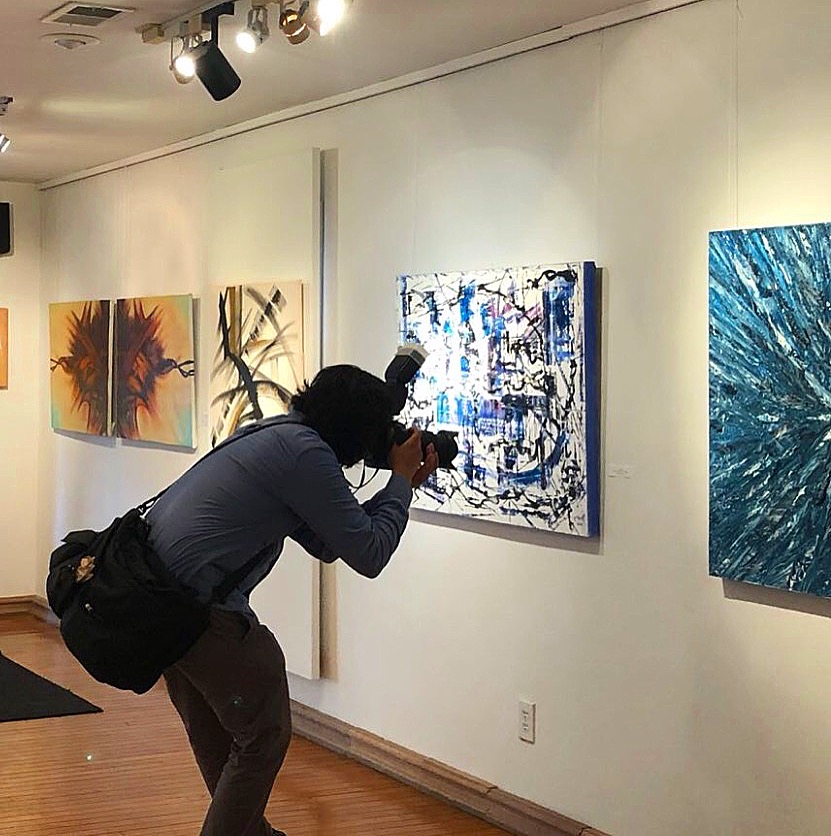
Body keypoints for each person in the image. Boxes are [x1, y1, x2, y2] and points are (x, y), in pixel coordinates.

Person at [144, 364, 438, 836]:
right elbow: (369, 553)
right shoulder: (307, 455)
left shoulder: (278, 434)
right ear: (356, 432)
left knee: (217, 733)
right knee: (265, 734)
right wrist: (400, 483)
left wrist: (394, 489)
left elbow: (327, 541)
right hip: (198, 612)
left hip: (157, 601)